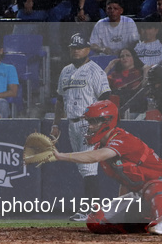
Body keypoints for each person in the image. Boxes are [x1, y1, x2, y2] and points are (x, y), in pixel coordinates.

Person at [54, 100, 162, 235]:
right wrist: (124, 212)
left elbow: (95, 156)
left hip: (157, 189)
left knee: (154, 186)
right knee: (95, 222)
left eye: (93, 122)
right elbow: (126, 181)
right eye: (89, 122)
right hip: (143, 196)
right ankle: (144, 227)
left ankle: (160, 221)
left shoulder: (122, 138)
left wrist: (60, 156)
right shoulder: (101, 146)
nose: (90, 127)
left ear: (107, 121)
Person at [51, 33, 111, 222]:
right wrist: (55, 124)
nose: (76, 50)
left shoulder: (95, 70)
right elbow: (60, 100)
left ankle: (93, 211)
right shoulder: (66, 71)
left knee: (89, 168)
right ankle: (92, 210)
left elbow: (106, 98)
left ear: (88, 49)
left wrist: (100, 126)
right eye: (73, 47)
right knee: (83, 168)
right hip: (72, 123)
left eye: (80, 47)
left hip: (89, 124)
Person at [104, 47, 147, 113]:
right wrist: (109, 67)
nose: (124, 58)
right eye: (122, 56)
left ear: (133, 58)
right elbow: (100, 83)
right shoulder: (114, 75)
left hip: (136, 106)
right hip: (117, 106)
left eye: (128, 55)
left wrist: (146, 70)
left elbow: (145, 87)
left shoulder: (140, 73)